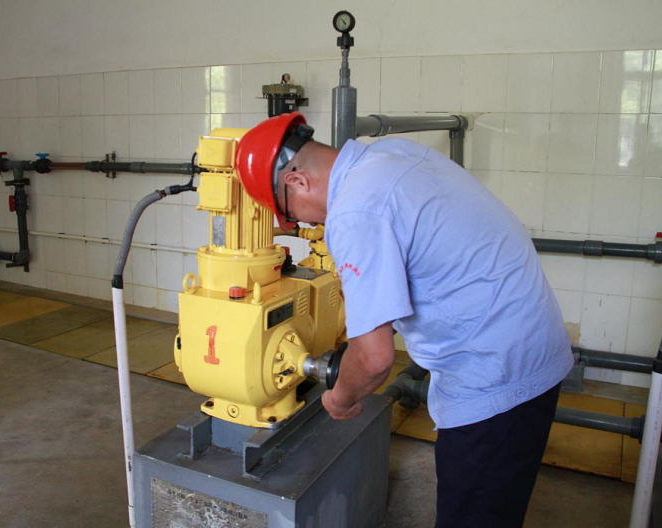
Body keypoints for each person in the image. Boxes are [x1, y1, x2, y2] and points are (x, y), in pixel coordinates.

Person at [235, 112, 574, 528]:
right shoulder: (393, 155)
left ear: (297, 182)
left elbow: (374, 358)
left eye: (291, 214)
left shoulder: (354, 210)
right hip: (532, 348)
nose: (304, 223)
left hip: (494, 377)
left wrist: (340, 399)